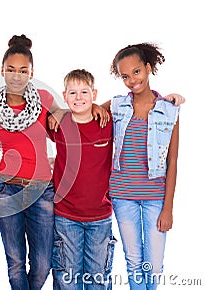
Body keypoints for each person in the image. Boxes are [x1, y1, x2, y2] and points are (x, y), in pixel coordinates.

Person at [0, 34, 107, 290]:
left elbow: (73, 111)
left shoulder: (43, 99)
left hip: (41, 190)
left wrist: (96, 104)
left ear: (32, 73)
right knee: (15, 262)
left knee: (43, 263)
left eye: (23, 70)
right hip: (5, 189)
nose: (17, 76)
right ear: (2, 71)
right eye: (11, 70)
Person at [108, 43, 180, 290]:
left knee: (155, 265)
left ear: (148, 68)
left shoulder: (169, 110)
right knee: (134, 261)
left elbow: (173, 161)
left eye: (136, 72)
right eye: (125, 76)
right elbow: (88, 109)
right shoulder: (117, 106)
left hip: (155, 199)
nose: (131, 80)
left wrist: (168, 208)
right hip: (122, 195)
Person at [49, 69, 117, 290]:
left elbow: (130, 101)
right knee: (67, 280)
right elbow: (34, 101)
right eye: (73, 93)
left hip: (100, 217)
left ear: (94, 93)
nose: (78, 98)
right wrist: (57, 110)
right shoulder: (59, 124)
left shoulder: (107, 124)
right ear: (65, 95)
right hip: (66, 217)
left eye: (84, 92)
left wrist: (167, 99)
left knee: (98, 279)